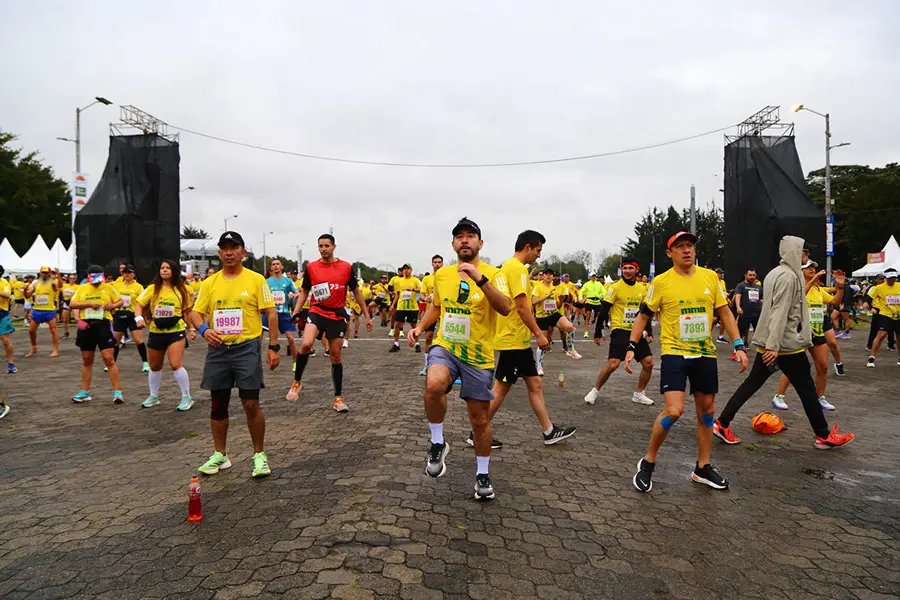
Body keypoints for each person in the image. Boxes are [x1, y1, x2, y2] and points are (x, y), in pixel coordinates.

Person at [625, 231, 748, 493]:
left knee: (707, 412)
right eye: (680, 247)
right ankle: (648, 462)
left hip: (705, 353)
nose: (686, 250)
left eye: (690, 245)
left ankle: (702, 467)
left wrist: (738, 345)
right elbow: (643, 316)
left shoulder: (710, 277)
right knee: (674, 411)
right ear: (670, 253)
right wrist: (631, 346)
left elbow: (724, 312)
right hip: (675, 353)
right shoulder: (661, 282)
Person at [713, 237, 854, 449]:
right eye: (804, 253)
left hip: (777, 342)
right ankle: (823, 436)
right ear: (794, 252)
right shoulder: (789, 277)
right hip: (785, 345)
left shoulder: (775, 274)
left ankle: (722, 423)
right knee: (805, 389)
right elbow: (779, 311)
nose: (806, 257)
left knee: (753, 384)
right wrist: (774, 346)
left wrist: (771, 344)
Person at [408, 217, 511, 501]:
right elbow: (436, 308)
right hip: (447, 346)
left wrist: (480, 279)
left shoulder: (495, 273)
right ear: (453, 244)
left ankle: (482, 474)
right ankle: (438, 442)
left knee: (479, 420)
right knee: (434, 385)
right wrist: (419, 327)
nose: (464, 240)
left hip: (479, 355)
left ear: (480, 243)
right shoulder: (442, 275)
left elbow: (505, 307)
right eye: (459, 236)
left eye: (470, 236)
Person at [189, 231, 280, 478]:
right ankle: (220, 454)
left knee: (250, 403)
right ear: (219, 253)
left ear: (243, 252)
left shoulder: (256, 280)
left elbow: (270, 313)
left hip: (246, 348)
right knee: (218, 404)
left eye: (234, 247)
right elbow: (195, 314)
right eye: (224, 248)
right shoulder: (210, 283)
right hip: (218, 350)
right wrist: (204, 329)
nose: (229, 252)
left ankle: (259, 455)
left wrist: (273, 347)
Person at [486, 230, 576, 449]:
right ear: (528, 247)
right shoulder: (518, 270)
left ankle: (549, 431)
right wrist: (538, 333)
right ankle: (477, 430)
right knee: (500, 389)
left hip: (517, 338)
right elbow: (522, 306)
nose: (539, 255)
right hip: (514, 338)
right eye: (538, 250)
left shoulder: (505, 267)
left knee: (535, 383)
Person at [287, 234, 373, 412]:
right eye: (320, 246)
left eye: (327, 246)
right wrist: (296, 311)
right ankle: (296, 382)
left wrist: (367, 315)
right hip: (317, 311)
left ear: (334, 247)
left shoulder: (346, 267)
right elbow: (304, 291)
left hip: (336, 315)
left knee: (335, 355)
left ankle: (338, 398)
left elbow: (357, 292)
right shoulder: (312, 267)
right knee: (307, 343)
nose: (323, 249)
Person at [767, 260, 845, 411]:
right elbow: (799, 297)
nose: (812, 269)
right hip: (799, 332)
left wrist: (840, 286)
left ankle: (820, 397)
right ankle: (779, 396)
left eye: (814, 267)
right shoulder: (796, 286)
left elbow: (835, 301)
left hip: (817, 331)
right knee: (795, 367)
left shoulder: (817, 290)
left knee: (822, 366)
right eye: (808, 267)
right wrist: (815, 279)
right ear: (800, 270)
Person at [584, 256, 655, 406]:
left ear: (637, 270)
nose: (627, 271)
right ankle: (595, 390)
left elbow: (645, 312)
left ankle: (639, 393)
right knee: (613, 364)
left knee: (648, 363)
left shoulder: (642, 289)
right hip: (620, 329)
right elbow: (604, 311)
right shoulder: (614, 288)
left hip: (636, 331)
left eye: (631, 268)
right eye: (625, 268)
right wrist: (597, 332)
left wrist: (649, 330)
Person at [135, 259, 196, 411]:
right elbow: (139, 305)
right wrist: (139, 318)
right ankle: (153, 396)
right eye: (162, 268)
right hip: (156, 331)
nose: (165, 270)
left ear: (174, 271)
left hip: (176, 330)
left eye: (168, 268)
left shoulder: (183, 290)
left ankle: (186, 397)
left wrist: (192, 328)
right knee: (154, 366)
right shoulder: (152, 289)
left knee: (176, 364)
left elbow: (188, 312)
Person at [69, 265, 125, 403]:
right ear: (88, 277)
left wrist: (112, 306)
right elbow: (72, 304)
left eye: (99, 277)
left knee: (109, 359)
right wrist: (88, 305)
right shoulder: (82, 288)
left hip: (103, 324)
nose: (96, 282)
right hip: (87, 325)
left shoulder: (108, 287)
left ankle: (118, 392)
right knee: (87, 360)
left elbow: (120, 301)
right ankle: (85, 392)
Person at [533, 269, 580, 374]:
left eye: (551, 275)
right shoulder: (538, 287)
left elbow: (557, 304)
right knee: (543, 344)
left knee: (570, 327)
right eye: (547, 275)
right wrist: (546, 296)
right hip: (542, 316)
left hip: (553, 313)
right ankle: (539, 366)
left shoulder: (555, 288)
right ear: (543, 276)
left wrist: (561, 300)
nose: (549, 276)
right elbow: (534, 301)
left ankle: (570, 349)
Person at [111, 265, 149, 372]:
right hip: (119, 315)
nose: (126, 275)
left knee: (138, 340)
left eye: (128, 273)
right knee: (115, 341)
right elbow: (113, 299)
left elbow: (142, 302)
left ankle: (145, 362)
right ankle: (111, 363)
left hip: (132, 315)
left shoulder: (138, 287)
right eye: (124, 273)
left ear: (133, 274)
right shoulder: (117, 286)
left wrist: (142, 316)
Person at [265, 259, 300, 368]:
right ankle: (269, 360)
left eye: (277, 264)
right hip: (271, 314)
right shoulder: (267, 282)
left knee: (291, 338)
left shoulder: (288, 281)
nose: (275, 266)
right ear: (271, 268)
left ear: (282, 267)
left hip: (284, 313)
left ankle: (296, 362)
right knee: (265, 338)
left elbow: (297, 292)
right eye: (273, 264)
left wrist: (294, 295)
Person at [864, 267, 900, 368]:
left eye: (893, 278)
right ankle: (872, 357)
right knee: (881, 335)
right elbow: (868, 297)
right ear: (885, 278)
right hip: (885, 315)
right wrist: (868, 305)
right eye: (889, 278)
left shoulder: (899, 286)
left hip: (898, 316)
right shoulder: (878, 288)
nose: (892, 280)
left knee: (899, 338)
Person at [23, 267, 60, 358]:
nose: (44, 274)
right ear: (40, 273)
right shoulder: (35, 283)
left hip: (49, 310)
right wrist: (25, 290)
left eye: (46, 273)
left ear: (49, 273)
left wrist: (57, 278)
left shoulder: (52, 281)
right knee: (31, 330)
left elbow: (56, 288)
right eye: (43, 273)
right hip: (37, 310)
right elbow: (28, 295)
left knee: (54, 330)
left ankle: (55, 350)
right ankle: (34, 347)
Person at [418, 255, 444, 376]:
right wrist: (427, 299)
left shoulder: (446, 276)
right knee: (428, 337)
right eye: (435, 262)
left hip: (445, 312)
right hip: (431, 311)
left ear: (442, 263)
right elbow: (422, 295)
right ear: (432, 264)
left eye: (439, 262)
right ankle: (427, 364)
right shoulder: (427, 279)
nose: (437, 264)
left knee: (447, 338)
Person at [389, 264, 422, 353]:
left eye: (408, 269)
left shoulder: (415, 280)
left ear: (411, 270)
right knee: (397, 324)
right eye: (404, 269)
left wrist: (413, 289)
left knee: (414, 325)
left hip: (412, 307)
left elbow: (422, 289)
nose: (406, 270)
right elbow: (397, 294)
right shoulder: (399, 281)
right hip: (401, 306)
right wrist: (393, 305)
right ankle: (396, 344)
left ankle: (417, 343)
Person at [579, 272, 607, 338]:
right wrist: (580, 298)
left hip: (597, 301)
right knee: (588, 316)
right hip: (589, 301)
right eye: (592, 276)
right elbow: (581, 291)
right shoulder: (586, 284)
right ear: (590, 277)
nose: (593, 277)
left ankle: (601, 331)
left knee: (600, 316)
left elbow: (604, 291)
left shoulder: (599, 284)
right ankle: (586, 332)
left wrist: (604, 296)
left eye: (594, 276)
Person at [0, 266, 16, 373]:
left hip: (2, 313)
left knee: (5, 340)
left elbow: (7, 295)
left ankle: (11, 363)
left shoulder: (4, 282)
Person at [60, 273, 79, 339]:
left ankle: (80, 332)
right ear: (68, 279)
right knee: (65, 319)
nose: (72, 280)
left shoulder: (77, 287)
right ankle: (66, 333)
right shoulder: (65, 285)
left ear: (75, 279)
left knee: (77, 318)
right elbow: (59, 284)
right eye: (70, 278)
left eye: (73, 278)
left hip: (73, 303)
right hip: (66, 303)